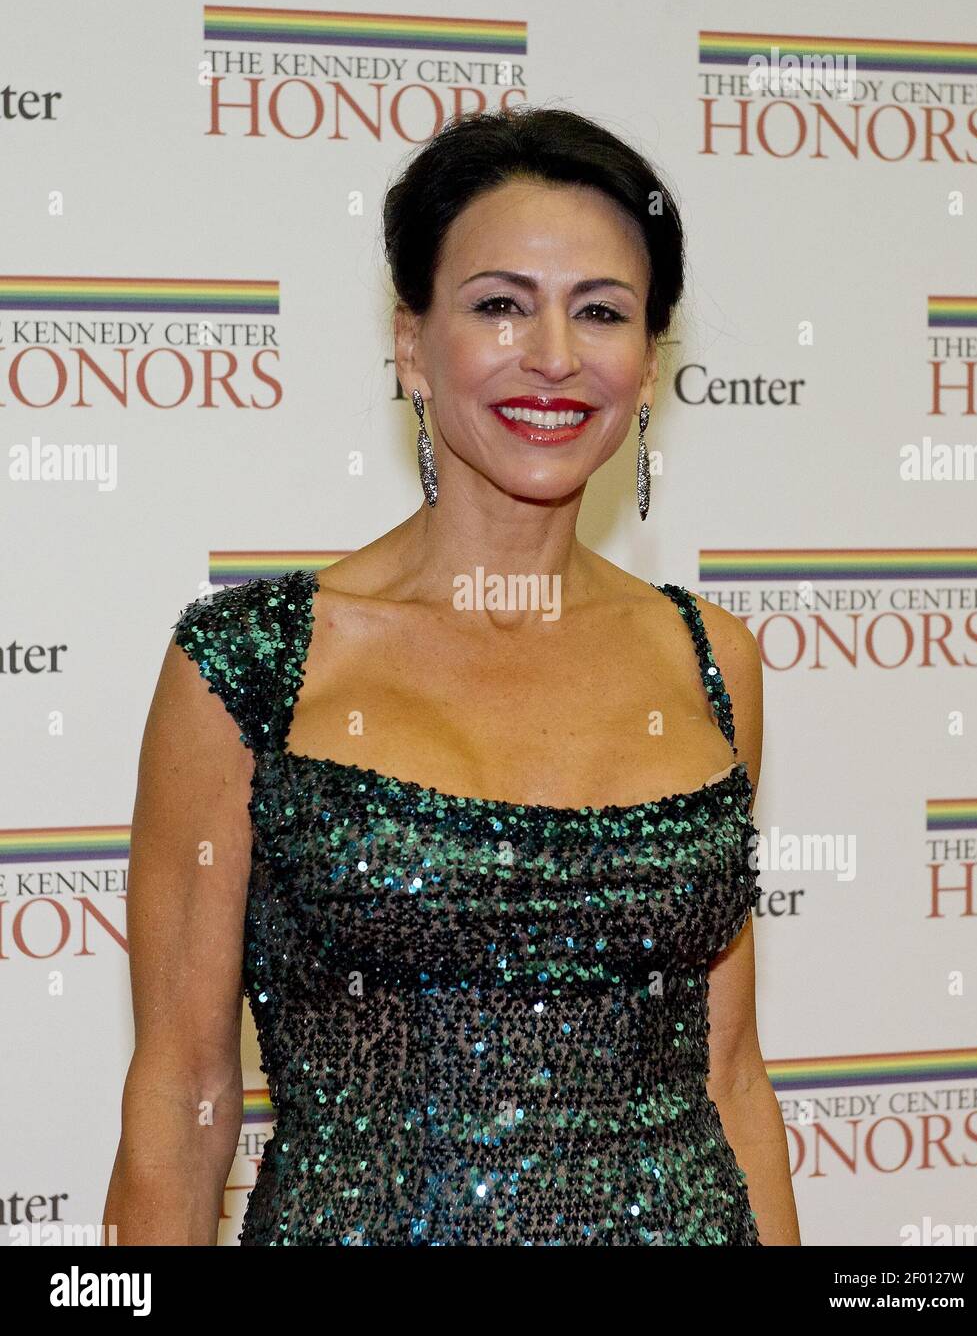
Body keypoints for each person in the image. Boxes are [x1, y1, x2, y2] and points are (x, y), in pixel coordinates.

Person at [104, 106, 800, 1246]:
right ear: (412, 344)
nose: (556, 357)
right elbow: (183, 1101)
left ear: (648, 362)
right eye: (500, 305)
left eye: (603, 313)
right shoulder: (253, 664)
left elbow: (730, 1079)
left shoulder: (713, 659)